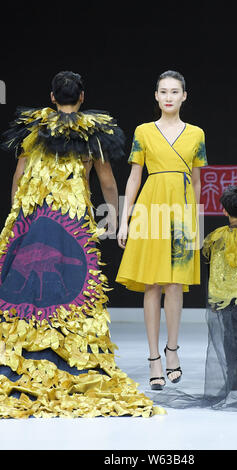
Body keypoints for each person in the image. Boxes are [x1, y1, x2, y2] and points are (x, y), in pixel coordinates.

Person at [0, 71, 164, 418]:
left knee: (25, 291)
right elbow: (106, 181)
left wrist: (18, 221)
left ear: (51, 96)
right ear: (83, 97)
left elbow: (18, 179)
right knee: (71, 290)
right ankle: (72, 359)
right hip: (72, 223)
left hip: (33, 220)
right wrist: (114, 219)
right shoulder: (93, 135)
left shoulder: (34, 131)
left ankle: (23, 357)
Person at [149, 185, 237, 411]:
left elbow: (212, 271)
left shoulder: (217, 238)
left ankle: (235, 374)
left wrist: (213, 298)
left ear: (224, 211)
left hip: (224, 296)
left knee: (229, 334)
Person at [116, 70, 208, 390]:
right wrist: (124, 219)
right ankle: (154, 357)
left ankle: (172, 351)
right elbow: (133, 177)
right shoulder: (143, 131)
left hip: (181, 211)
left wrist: (195, 220)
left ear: (184, 96)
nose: (169, 97)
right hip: (150, 208)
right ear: (156, 96)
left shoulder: (196, 134)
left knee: (174, 284)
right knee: (152, 284)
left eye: (175, 91)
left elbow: (197, 180)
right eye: (163, 91)